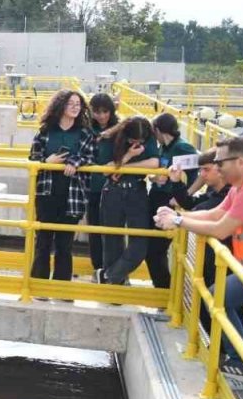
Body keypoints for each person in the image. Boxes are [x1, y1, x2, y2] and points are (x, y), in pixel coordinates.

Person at [156, 137, 243, 378]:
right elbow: (215, 213)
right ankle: (240, 358)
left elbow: (221, 229)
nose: (217, 168)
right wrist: (178, 216)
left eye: (221, 162)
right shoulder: (242, 186)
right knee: (219, 294)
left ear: (241, 162)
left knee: (223, 297)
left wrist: (178, 221)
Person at [27, 90, 97, 283]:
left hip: (73, 195)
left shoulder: (85, 133)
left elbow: (91, 157)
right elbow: (33, 158)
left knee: (65, 244)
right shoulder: (46, 131)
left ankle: (61, 286)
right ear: (61, 106)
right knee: (43, 240)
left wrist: (75, 162)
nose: (76, 107)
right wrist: (47, 161)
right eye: (71, 103)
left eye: (78, 104)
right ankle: (38, 283)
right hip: (46, 193)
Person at [98, 116, 161, 285]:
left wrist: (123, 168)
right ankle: (115, 283)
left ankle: (109, 275)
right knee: (112, 241)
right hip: (113, 190)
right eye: (133, 140)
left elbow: (155, 162)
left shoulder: (149, 138)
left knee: (140, 242)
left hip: (137, 190)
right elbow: (105, 170)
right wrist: (128, 155)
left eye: (140, 141)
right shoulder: (110, 138)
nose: (137, 143)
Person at [143, 113, 199, 288]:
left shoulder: (183, 148)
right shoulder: (163, 148)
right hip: (156, 198)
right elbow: (158, 172)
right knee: (152, 249)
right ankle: (163, 289)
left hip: (169, 201)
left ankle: (164, 290)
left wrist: (185, 195)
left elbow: (200, 173)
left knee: (155, 250)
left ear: (158, 130)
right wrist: (154, 178)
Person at [169, 149, 231, 288]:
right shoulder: (214, 190)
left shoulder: (230, 193)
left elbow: (205, 211)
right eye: (201, 170)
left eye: (206, 170)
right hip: (216, 258)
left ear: (221, 169)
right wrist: (176, 182)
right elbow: (189, 203)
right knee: (209, 295)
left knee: (221, 302)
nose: (202, 175)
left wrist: (176, 218)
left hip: (231, 260)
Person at [86, 93, 119, 279]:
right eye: (97, 112)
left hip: (114, 187)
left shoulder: (120, 129)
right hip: (92, 187)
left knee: (113, 230)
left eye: (105, 112)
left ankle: (114, 269)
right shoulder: (87, 129)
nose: (101, 116)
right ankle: (98, 267)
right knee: (95, 229)